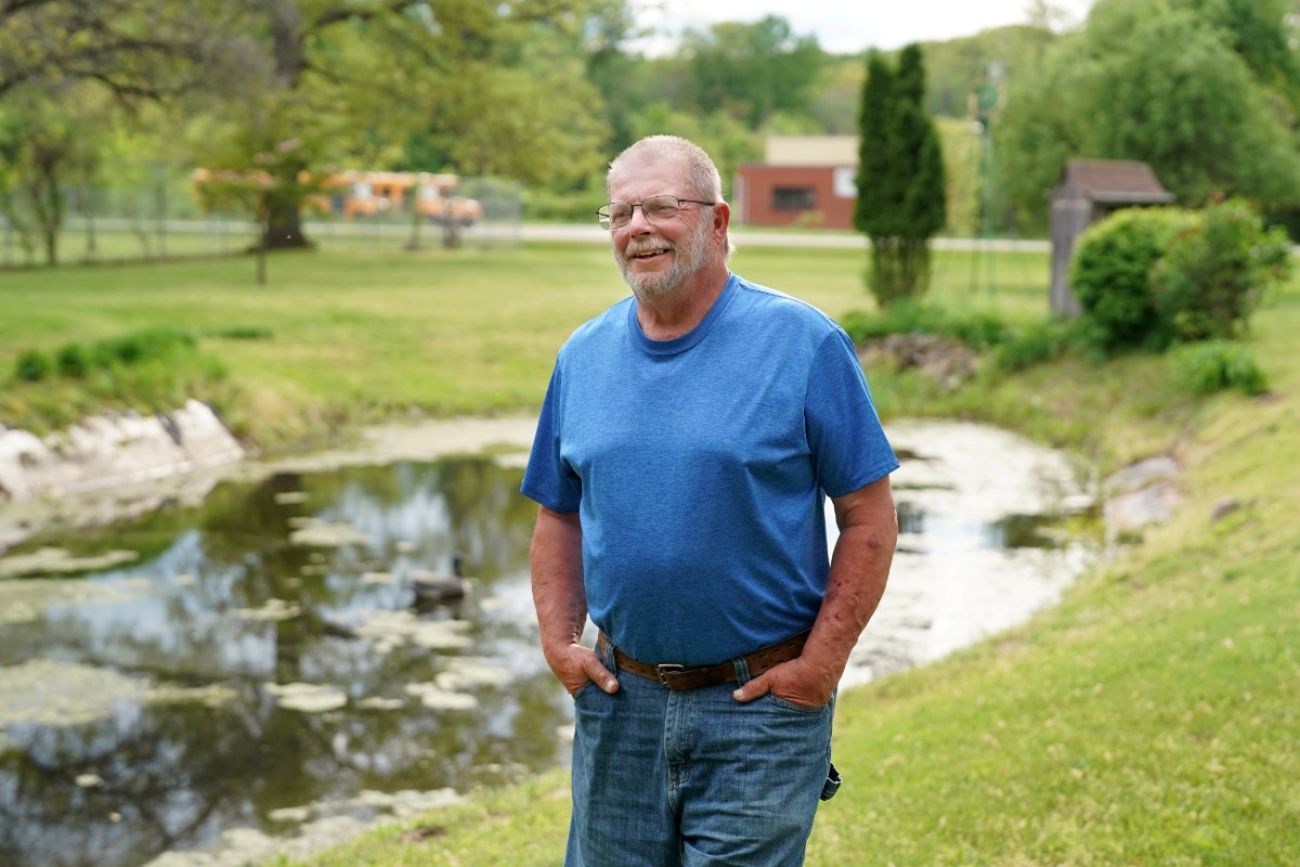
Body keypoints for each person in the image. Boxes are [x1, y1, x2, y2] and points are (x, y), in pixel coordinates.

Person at [521, 134, 899, 866]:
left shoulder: (804, 343)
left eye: (661, 207)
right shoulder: (583, 355)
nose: (637, 228)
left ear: (719, 222)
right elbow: (556, 512)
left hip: (757, 708)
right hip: (619, 705)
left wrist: (820, 666)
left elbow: (869, 518)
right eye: (621, 212)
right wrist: (560, 643)